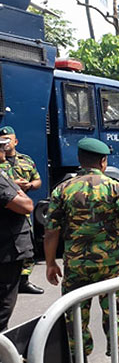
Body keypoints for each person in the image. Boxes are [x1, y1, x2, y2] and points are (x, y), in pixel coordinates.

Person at [44, 138, 119, 361]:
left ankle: (81, 358)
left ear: (80, 159)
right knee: (116, 317)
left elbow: (50, 232)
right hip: (112, 267)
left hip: (77, 267)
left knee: (76, 318)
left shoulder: (63, 189)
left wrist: (50, 263)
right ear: (103, 161)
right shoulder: (115, 187)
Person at [0, 126, 43, 294]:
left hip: (23, 209)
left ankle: (24, 281)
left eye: (8, 140)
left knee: (27, 245)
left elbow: (37, 180)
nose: (5, 143)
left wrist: (30, 185)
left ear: (15, 141)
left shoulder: (25, 160)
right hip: (6, 209)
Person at [0, 136, 34, 330]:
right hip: (6, 252)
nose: (4, 149)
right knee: (4, 305)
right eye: (1, 147)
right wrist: (19, 192)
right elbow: (26, 206)